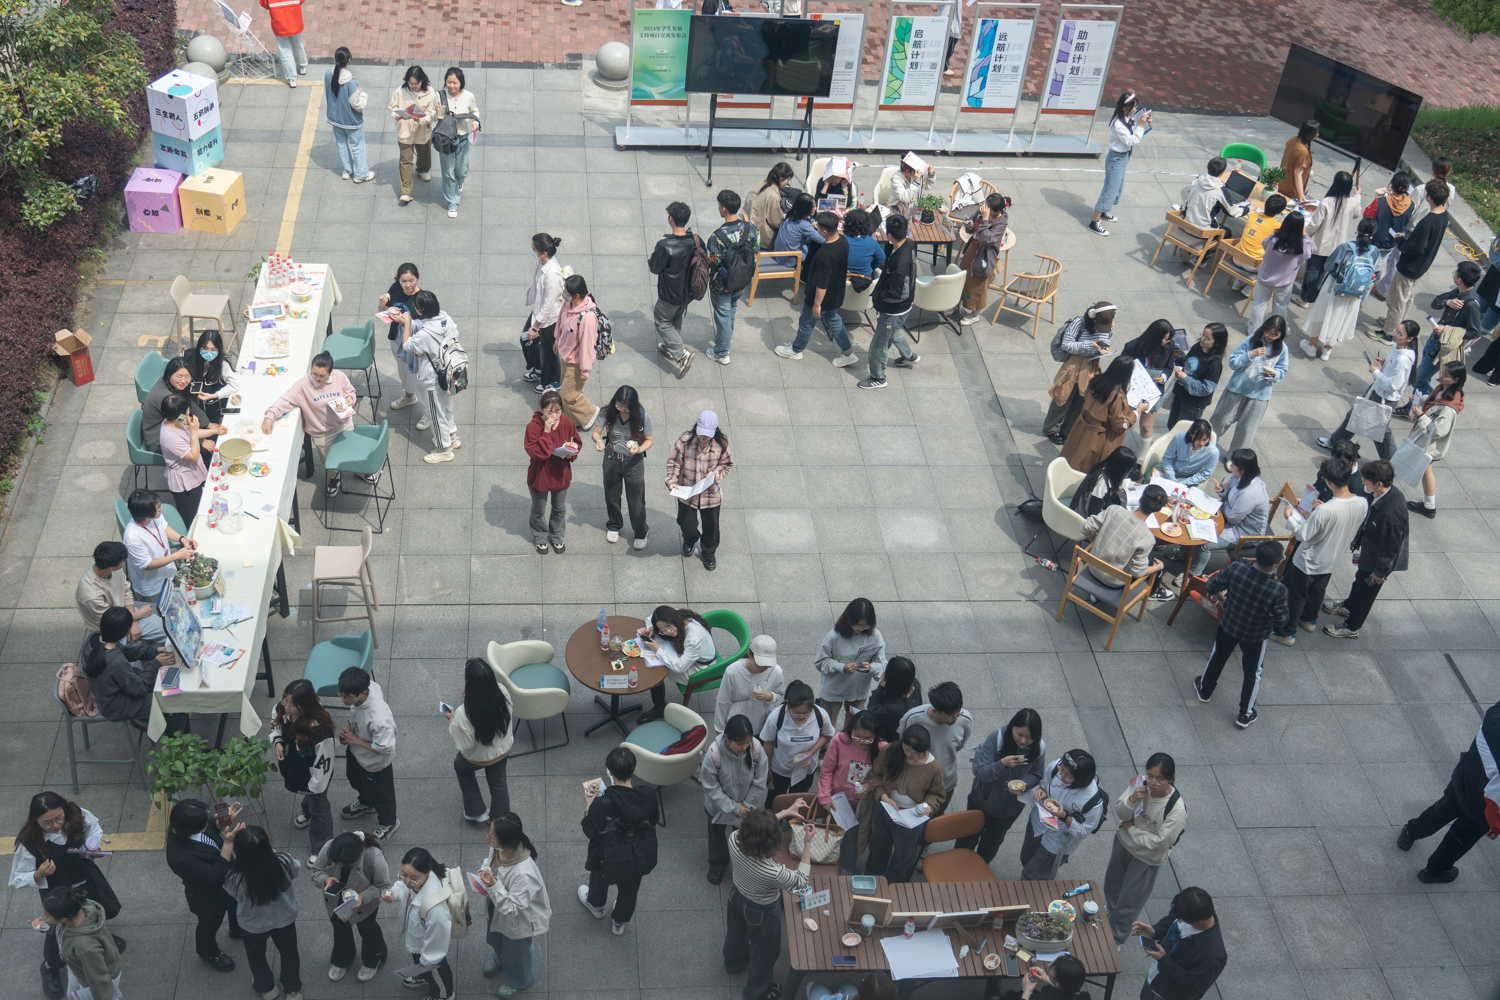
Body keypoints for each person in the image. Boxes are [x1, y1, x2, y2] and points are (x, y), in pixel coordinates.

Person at [11, 792, 122, 1000]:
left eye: (59, 818)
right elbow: (16, 878)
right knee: (58, 929)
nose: (56, 825)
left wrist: (93, 845)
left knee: (94, 911)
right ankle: (50, 965)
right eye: (47, 822)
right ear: (35, 819)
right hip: (58, 892)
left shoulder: (76, 814)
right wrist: (38, 874)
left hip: (85, 879)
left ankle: (98, 936)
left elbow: (94, 830)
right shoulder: (28, 843)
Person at [1398, 700, 1500, 883]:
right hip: (1479, 808)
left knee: (1442, 809)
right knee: (1459, 838)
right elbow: (1495, 802)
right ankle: (1434, 871)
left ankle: (1411, 832)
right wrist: (1496, 826)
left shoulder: (1495, 716)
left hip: (1463, 778)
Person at [1269, 458, 1367, 647]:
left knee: (1295, 595)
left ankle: (1286, 632)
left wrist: (1289, 517)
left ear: (1329, 481)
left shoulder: (1325, 510)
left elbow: (1303, 535)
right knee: (1317, 590)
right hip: (1332, 558)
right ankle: (1309, 619)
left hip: (1308, 560)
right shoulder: (1362, 503)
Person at [723, 802, 814, 1000]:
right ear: (772, 842)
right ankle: (755, 992)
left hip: (736, 895)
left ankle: (732, 962)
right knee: (763, 953)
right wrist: (807, 844)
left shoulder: (733, 839)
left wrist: (786, 812)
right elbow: (800, 882)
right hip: (762, 911)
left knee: (735, 933)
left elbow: (757, 828)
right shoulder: (772, 872)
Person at [1193, 540, 1288, 728]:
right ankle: (1245, 713)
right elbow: (1282, 621)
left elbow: (1211, 585)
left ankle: (1205, 691)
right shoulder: (1278, 590)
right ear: (1275, 564)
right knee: (1253, 673)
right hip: (1255, 636)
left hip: (1229, 625)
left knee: (1218, 657)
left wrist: (1222, 600)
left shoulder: (1236, 569)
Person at [1103, 753, 1186, 946]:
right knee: (1112, 886)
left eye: (1160, 779)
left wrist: (1131, 829)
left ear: (1170, 779)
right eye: (1150, 775)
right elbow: (1121, 813)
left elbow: (1160, 842)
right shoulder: (1139, 783)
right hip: (1123, 845)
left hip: (1147, 859)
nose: (1153, 782)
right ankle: (1110, 913)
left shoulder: (1176, 808)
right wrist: (1131, 799)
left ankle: (1115, 938)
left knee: (1130, 900)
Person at [1322, 459, 1408, 639]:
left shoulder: (1391, 512)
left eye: (1367, 481)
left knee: (1366, 592)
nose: (1364, 484)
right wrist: (1359, 538)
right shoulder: (1379, 495)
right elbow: (1370, 520)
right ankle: (1348, 606)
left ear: (1379, 483)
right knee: (1359, 582)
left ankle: (1352, 627)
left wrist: (1380, 572)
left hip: (1379, 564)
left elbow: (1391, 547)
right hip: (1370, 553)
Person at [579, 746, 659, 934]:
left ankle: (597, 906)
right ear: (634, 769)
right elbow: (652, 822)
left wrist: (589, 805)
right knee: (630, 890)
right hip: (636, 855)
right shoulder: (648, 796)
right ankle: (619, 923)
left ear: (610, 772)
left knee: (599, 880)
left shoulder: (602, 803)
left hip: (606, 856)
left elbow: (590, 830)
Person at [260, 350, 360, 496]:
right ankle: (334, 477)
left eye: (322, 376)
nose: (317, 379)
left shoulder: (339, 376)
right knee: (329, 460)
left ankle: (361, 470)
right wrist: (270, 415)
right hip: (322, 433)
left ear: (330, 372)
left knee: (352, 452)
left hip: (344, 425)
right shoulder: (302, 385)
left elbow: (350, 391)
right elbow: (285, 400)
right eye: (314, 374)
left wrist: (350, 398)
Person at [1317, 318, 1416, 460]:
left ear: (1410, 339)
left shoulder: (1403, 359)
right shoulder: (1397, 347)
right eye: (1396, 331)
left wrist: (1376, 372)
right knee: (1356, 416)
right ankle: (1336, 442)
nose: (1395, 335)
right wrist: (1383, 364)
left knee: (1380, 431)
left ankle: (1391, 461)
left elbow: (1394, 385)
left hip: (1384, 396)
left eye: (1400, 334)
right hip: (1378, 389)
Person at [955, 707, 1045, 863]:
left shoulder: (1039, 748)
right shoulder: (996, 739)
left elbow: (1037, 774)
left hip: (1009, 809)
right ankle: (957, 864)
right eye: (1019, 734)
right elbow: (981, 773)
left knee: (992, 842)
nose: (1023, 741)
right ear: (1012, 727)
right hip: (981, 802)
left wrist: (1024, 784)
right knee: (968, 836)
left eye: (1030, 737)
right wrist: (1001, 764)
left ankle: (979, 868)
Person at [476, 814, 550, 998]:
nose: (488, 837)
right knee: (495, 938)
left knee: (517, 953)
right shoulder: (498, 848)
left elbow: (513, 908)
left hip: (518, 920)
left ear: (506, 841)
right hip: (497, 905)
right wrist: (484, 871)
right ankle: (500, 959)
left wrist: (493, 885)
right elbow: (490, 863)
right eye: (490, 832)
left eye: (492, 835)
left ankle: (521, 980)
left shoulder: (523, 873)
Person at [225, 825, 303, 1000]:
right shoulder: (284, 862)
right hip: (284, 919)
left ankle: (266, 988)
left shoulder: (235, 877)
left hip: (253, 925)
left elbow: (234, 896)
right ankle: (292, 988)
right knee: (289, 952)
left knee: (256, 956)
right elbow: (296, 870)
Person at [165, 799, 241, 973]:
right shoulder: (180, 857)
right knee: (210, 923)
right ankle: (208, 951)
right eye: (204, 822)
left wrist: (223, 822)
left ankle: (236, 929)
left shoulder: (185, 823)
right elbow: (214, 875)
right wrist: (228, 844)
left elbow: (213, 827)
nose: (209, 821)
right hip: (208, 895)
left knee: (235, 903)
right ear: (190, 828)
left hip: (228, 881)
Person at [864, 725, 946, 883]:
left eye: (914, 753)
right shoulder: (890, 751)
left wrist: (928, 806)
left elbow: (936, 794)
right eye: (906, 749)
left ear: (923, 750)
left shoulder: (933, 767)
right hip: (885, 809)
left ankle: (895, 885)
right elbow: (876, 776)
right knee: (878, 847)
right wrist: (884, 797)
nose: (908, 754)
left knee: (903, 855)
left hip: (911, 818)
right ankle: (872, 877)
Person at [84, 607, 188, 731]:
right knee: (177, 704)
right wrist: (156, 663)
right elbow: (140, 687)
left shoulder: (97, 639)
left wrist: (154, 650)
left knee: (164, 684)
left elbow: (127, 651)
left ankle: (157, 722)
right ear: (124, 632)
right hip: (120, 707)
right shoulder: (116, 662)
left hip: (116, 692)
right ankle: (180, 747)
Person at [777, 210, 858, 367]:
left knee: (806, 323)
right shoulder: (842, 241)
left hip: (820, 297)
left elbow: (821, 283)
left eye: (818, 228)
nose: (816, 229)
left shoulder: (825, 255)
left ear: (825, 232)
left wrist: (816, 305)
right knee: (834, 320)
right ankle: (848, 352)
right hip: (836, 295)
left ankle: (796, 350)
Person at [390, 290, 462, 462]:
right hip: (449, 372)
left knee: (434, 414)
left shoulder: (424, 335)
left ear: (421, 311)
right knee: (445, 407)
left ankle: (444, 448)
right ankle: (452, 437)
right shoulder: (446, 318)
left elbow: (408, 344)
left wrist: (407, 322)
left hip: (433, 378)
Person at [1375, 179, 1451, 341]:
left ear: (1428, 197)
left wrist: (1400, 240)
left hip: (1409, 266)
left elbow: (1415, 248)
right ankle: (1393, 324)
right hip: (1421, 266)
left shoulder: (1427, 222)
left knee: (1397, 301)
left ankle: (1389, 333)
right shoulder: (1443, 215)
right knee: (1407, 299)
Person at [270, 678, 337, 863]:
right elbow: (275, 725)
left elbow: (324, 761)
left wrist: (317, 786)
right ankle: (307, 813)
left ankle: (323, 846)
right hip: (295, 767)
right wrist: (277, 741)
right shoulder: (282, 709)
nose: (287, 707)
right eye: (286, 701)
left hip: (314, 776)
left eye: (293, 705)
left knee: (320, 808)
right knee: (309, 795)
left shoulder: (319, 729)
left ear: (306, 705)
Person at [310, 830, 390, 982]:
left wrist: (362, 897)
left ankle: (373, 960)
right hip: (336, 901)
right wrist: (325, 880)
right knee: (340, 930)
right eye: (337, 863)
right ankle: (342, 958)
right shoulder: (329, 848)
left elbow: (383, 887)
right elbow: (316, 871)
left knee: (368, 930)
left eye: (345, 864)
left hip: (365, 906)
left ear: (358, 856)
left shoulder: (374, 857)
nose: (340, 866)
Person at [445, 656, 515, 823]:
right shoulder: (502, 692)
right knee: (498, 784)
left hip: (477, 757)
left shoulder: (463, 713)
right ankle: (500, 819)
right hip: (502, 750)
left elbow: (464, 744)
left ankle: (476, 811)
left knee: (461, 767)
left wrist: (451, 720)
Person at [702, 714, 771, 884]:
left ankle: (742, 867)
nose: (744, 747)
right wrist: (734, 807)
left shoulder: (755, 749)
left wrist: (745, 806)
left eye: (747, 743)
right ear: (727, 738)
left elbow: (759, 781)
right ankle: (717, 864)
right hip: (718, 807)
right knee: (716, 837)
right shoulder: (713, 755)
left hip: (747, 807)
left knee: (743, 838)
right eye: (740, 744)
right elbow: (711, 787)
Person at [1299, 217, 1380, 360]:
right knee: (1340, 319)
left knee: (1322, 314)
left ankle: (1311, 347)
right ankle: (1327, 351)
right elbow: (1377, 274)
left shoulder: (1346, 247)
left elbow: (1328, 266)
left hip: (1334, 288)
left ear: (1358, 230)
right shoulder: (1374, 251)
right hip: (1355, 294)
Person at [1020, 749, 1105, 880]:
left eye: (1069, 776)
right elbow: (1044, 785)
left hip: (1056, 841)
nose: (1062, 776)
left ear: (1081, 779)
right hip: (1037, 824)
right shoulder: (1055, 768)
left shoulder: (1092, 802)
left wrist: (1064, 817)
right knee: (1026, 858)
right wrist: (1042, 792)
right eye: (1062, 769)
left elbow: (1083, 832)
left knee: (1033, 876)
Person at [338, 666, 400, 844]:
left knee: (382, 795)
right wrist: (349, 726)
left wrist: (354, 739)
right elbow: (355, 713)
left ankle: (389, 822)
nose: (343, 700)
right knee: (354, 779)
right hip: (356, 752)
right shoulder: (369, 687)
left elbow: (385, 748)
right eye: (341, 694)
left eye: (348, 697)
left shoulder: (379, 719)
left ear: (364, 693)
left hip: (374, 763)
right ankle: (366, 803)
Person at [1208, 317, 1288, 455]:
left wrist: (1274, 373)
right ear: (1263, 328)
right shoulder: (1251, 340)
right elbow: (1233, 362)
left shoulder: (1282, 349)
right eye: (1268, 332)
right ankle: (1207, 446)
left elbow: (1282, 371)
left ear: (1281, 334)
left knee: (1246, 429)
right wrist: (1251, 354)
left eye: (1276, 334)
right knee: (1221, 419)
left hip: (1259, 396)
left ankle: (1235, 457)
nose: (1270, 337)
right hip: (1236, 389)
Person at [665, 410, 733, 571]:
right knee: (686, 523)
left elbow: (727, 464)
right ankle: (690, 539)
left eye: (708, 434)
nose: (704, 436)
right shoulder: (684, 442)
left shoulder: (720, 445)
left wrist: (716, 474)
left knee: (711, 527)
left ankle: (709, 552)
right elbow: (674, 463)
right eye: (701, 432)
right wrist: (672, 481)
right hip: (687, 493)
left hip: (711, 495)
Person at [1186, 449, 1269, 580]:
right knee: (1194, 518)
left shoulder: (1250, 494)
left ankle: (1192, 575)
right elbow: (1228, 493)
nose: (1230, 466)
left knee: (1204, 543)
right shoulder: (1238, 475)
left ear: (1242, 469)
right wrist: (1222, 492)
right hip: (1231, 515)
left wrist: (1225, 503)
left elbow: (1232, 518)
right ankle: (1186, 552)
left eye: (1233, 464)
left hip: (1244, 532)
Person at [382, 848, 454, 999]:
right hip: (417, 937)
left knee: (437, 972)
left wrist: (426, 962)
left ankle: (442, 995)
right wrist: (393, 893)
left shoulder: (436, 908)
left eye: (413, 878)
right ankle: (424, 976)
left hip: (429, 950)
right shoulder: (416, 880)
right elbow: (402, 886)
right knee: (419, 961)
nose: (407, 881)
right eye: (403, 874)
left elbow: (437, 944)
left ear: (427, 873)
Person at [818, 710, 884, 874]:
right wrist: (825, 797)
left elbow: (884, 778)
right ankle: (824, 861)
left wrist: (869, 787)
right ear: (850, 730)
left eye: (867, 738)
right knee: (832, 832)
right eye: (857, 736)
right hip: (838, 799)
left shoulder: (882, 748)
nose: (861, 742)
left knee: (853, 838)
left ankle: (847, 869)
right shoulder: (840, 740)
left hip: (862, 804)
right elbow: (826, 770)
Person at [1132, 887, 1226, 1000]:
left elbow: (1193, 985)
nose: (1178, 918)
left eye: (1182, 918)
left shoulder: (1213, 956)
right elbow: (1169, 920)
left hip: (1168, 994)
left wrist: (1163, 960)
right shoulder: (1192, 909)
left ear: (1198, 921)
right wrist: (1154, 931)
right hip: (1155, 976)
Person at [1061, 355, 1149, 474]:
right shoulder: (1116, 395)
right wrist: (1137, 411)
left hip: (1082, 427)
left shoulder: (1096, 381)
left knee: (1072, 458)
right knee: (1086, 469)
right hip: (1098, 439)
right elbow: (1119, 425)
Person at [861, 212, 920, 389]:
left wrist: (878, 298)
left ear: (890, 235)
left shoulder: (900, 264)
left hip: (893, 308)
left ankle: (878, 378)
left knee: (879, 345)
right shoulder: (909, 244)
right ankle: (909, 356)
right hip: (904, 306)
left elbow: (896, 294)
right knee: (894, 331)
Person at [1044, 303, 1117, 446]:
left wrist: (1103, 349)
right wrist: (1090, 345)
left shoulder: (1110, 325)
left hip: (1091, 365)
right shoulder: (1079, 323)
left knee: (1081, 401)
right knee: (1062, 398)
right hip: (1074, 364)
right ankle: (1050, 429)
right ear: (1093, 318)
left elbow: (1106, 340)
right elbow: (1067, 345)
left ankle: (1067, 431)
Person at [898, 681, 973, 818]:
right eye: (950, 717)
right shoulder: (913, 717)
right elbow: (904, 742)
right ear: (935, 710)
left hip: (945, 784)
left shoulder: (965, 719)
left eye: (958, 713)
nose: (956, 719)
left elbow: (960, 745)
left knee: (933, 823)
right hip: (915, 782)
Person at [1080, 484, 1169, 597]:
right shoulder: (1147, 538)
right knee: (1157, 559)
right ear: (1159, 509)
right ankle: (1153, 593)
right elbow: (1138, 572)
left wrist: (1093, 537)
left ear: (1140, 499)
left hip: (1093, 568)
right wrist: (1159, 567)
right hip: (1113, 583)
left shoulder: (1114, 510)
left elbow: (1085, 527)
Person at [592, 385, 653, 548]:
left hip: (634, 462)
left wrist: (638, 449)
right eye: (620, 406)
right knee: (612, 495)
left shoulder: (641, 415)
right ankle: (614, 525)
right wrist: (599, 442)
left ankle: (641, 532)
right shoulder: (608, 411)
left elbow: (650, 440)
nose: (623, 411)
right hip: (612, 457)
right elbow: (596, 432)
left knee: (636, 501)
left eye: (627, 408)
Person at [37, 885, 122, 1000]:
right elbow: (58, 924)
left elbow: (98, 979)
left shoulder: (84, 947)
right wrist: (43, 925)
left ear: (63, 919)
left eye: (47, 915)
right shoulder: (82, 907)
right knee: (72, 995)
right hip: (79, 968)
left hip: (91, 977)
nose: (44, 917)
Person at [1404, 361, 1466, 518]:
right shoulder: (1444, 390)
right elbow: (1433, 401)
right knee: (1425, 470)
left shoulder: (1449, 407)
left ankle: (1380, 488)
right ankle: (1429, 506)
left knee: (1401, 463)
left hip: (1428, 444)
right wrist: (1422, 399)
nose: (1441, 376)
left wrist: (1421, 415)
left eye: (1446, 375)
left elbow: (1438, 431)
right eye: (1442, 372)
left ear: (1456, 380)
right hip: (1425, 443)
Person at [759, 680, 835, 807]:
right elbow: (768, 743)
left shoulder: (820, 714)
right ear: (788, 704)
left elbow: (826, 734)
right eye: (796, 713)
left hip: (805, 771)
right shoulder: (776, 716)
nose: (801, 716)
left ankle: (793, 825)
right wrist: (767, 770)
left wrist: (810, 753)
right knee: (775, 803)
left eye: (806, 713)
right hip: (781, 770)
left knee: (799, 802)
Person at [815, 597, 889, 726]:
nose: (861, 629)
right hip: (833, 690)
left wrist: (870, 668)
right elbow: (821, 662)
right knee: (826, 727)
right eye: (857, 625)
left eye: (865, 625)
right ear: (848, 620)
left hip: (858, 691)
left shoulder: (875, 635)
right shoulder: (834, 636)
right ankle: (827, 747)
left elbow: (882, 663)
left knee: (854, 727)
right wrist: (842, 667)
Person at [1293, 170, 1362, 307]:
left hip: (1320, 244)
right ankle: (1313, 294)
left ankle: (1304, 298)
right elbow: (1357, 214)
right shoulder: (1353, 202)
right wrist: (1358, 196)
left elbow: (1314, 224)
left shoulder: (1327, 201)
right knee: (1324, 272)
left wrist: (1304, 236)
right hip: (1338, 248)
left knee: (1312, 270)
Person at [705, 188, 759, 364]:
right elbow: (756, 251)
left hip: (722, 284)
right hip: (743, 280)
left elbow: (712, 262)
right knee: (732, 309)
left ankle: (722, 352)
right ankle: (725, 338)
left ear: (723, 209)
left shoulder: (717, 237)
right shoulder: (752, 229)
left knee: (722, 315)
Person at [76, 540, 167, 642]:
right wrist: (138, 615)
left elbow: (126, 590)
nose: (125, 563)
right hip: (109, 630)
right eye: (123, 561)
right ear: (111, 568)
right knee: (128, 655)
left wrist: (133, 621)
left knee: (167, 631)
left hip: (126, 613)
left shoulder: (107, 566)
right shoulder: (90, 594)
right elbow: (109, 622)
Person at [524, 389, 579, 555]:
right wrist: (547, 432)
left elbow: (576, 442)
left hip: (561, 472)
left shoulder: (567, 423)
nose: (554, 415)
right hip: (540, 474)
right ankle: (540, 536)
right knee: (538, 509)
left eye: (558, 411)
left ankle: (557, 536)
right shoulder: (533, 427)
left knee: (559, 508)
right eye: (549, 411)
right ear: (541, 409)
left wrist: (572, 451)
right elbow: (538, 454)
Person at [648, 201, 699, 378]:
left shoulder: (665, 246)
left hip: (669, 294)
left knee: (662, 321)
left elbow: (654, 267)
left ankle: (681, 353)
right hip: (688, 293)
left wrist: (658, 248)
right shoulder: (695, 241)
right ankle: (671, 347)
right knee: (675, 317)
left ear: (671, 219)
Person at [121, 488, 198, 603]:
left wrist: (182, 539)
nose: (161, 509)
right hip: (153, 587)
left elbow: (164, 527)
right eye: (158, 508)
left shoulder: (153, 516)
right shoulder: (132, 538)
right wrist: (176, 556)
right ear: (145, 513)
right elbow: (147, 564)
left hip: (169, 572)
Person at [639, 604, 714, 721]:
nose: (668, 631)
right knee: (657, 658)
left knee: (656, 668)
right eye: (663, 629)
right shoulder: (678, 615)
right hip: (692, 657)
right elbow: (650, 618)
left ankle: (660, 708)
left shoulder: (694, 638)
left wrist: (658, 650)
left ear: (673, 619)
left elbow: (680, 667)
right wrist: (652, 629)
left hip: (701, 669)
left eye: (668, 626)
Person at [1089, 93, 1151, 236]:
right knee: (1109, 189)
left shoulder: (1127, 118)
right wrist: (1141, 125)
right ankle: (1094, 222)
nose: (1135, 110)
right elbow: (1131, 140)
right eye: (1133, 107)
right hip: (1116, 159)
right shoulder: (1118, 124)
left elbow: (1135, 131)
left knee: (1117, 187)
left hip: (1123, 157)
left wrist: (1144, 122)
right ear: (1124, 107)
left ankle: (1104, 212)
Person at [1246, 212, 1313, 334]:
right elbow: (1309, 252)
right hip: (1284, 282)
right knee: (1281, 307)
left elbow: (1264, 243)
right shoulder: (1301, 247)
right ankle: (1279, 330)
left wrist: (1278, 230)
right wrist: (1304, 236)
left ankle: (1253, 330)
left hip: (1265, 277)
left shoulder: (1273, 239)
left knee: (1259, 304)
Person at [1121, 319, 1180, 449]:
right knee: (1124, 422)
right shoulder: (1132, 346)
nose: (1166, 342)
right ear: (1155, 336)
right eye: (1164, 339)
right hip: (1132, 390)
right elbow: (1120, 367)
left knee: (1146, 425)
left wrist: (1163, 377)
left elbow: (1169, 367)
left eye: (1168, 340)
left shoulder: (1170, 346)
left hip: (1153, 391)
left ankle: (1141, 461)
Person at [553, 273, 601, 431]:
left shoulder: (587, 318)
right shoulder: (569, 305)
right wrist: (557, 340)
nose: (564, 293)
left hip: (578, 362)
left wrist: (585, 370)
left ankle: (590, 413)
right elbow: (560, 321)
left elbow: (587, 346)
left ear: (577, 295)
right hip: (566, 357)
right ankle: (573, 418)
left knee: (569, 395)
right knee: (567, 392)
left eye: (567, 292)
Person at [1430, 262, 1489, 389]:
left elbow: (1475, 332)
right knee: (1422, 378)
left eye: (1455, 273)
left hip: (1444, 347)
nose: (1454, 275)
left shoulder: (1471, 304)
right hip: (1435, 338)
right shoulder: (1457, 291)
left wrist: (1447, 331)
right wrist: (1448, 302)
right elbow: (1435, 303)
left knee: (1421, 379)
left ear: (1460, 279)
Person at [712, 633, 785, 735]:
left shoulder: (776, 672)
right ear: (750, 654)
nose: (763, 667)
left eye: (767, 664)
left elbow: (778, 693)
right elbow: (723, 701)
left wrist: (768, 696)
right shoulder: (733, 671)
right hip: (737, 721)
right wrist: (719, 728)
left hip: (760, 721)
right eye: (760, 663)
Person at [141, 357, 218, 453]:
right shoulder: (166, 398)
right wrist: (202, 441)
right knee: (208, 451)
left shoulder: (172, 383)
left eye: (187, 376)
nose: (183, 381)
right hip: (160, 440)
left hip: (175, 425)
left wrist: (207, 424)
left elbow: (189, 402)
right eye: (179, 376)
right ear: (169, 375)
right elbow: (182, 421)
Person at [157, 393, 210, 527]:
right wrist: (193, 432)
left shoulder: (177, 420)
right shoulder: (170, 436)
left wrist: (215, 431)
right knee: (191, 515)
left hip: (192, 472)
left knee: (199, 504)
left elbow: (194, 432)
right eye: (187, 409)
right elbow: (193, 456)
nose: (189, 411)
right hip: (185, 480)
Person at [959, 191, 1011, 324]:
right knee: (962, 278)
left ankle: (974, 314)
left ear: (995, 211)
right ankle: (956, 303)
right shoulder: (983, 211)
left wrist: (985, 219)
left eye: (987, 207)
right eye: (984, 204)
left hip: (984, 256)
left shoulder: (1000, 223)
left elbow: (985, 238)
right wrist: (970, 225)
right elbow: (973, 226)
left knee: (977, 286)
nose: (983, 207)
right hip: (972, 250)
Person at [522, 233, 565, 391]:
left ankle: (551, 381)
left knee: (548, 352)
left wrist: (535, 327)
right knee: (526, 340)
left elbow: (548, 305)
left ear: (544, 252)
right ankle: (539, 369)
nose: (532, 250)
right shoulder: (543, 262)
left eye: (534, 248)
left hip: (548, 319)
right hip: (539, 312)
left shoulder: (552, 276)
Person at [377, 263, 424, 409]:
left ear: (417, 278)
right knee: (403, 371)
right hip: (396, 337)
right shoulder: (396, 288)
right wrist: (382, 303)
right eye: (403, 281)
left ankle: (427, 413)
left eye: (411, 280)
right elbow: (383, 310)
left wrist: (405, 321)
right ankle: (409, 396)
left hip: (414, 344)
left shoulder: (421, 299)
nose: (407, 285)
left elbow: (424, 326)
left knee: (417, 377)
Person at [434, 67, 479, 218]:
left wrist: (475, 122)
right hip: (446, 139)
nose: (451, 86)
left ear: (461, 82)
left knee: (462, 169)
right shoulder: (439, 95)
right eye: (449, 82)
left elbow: (474, 111)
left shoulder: (468, 96)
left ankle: (459, 182)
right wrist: (438, 112)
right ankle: (453, 203)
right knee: (448, 172)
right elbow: (436, 117)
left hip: (463, 137)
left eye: (455, 82)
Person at [390, 66, 437, 205]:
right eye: (411, 83)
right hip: (405, 130)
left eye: (416, 83)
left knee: (424, 153)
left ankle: (423, 169)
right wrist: (397, 115)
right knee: (405, 160)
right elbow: (393, 108)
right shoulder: (400, 91)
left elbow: (432, 113)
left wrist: (421, 118)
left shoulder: (431, 93)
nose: (414, 86)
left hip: (422, 129)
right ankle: (406, 192)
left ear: (423, 80)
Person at [325, 47, 373, 182]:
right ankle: (361, 174)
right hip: (351, 121)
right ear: (349, 60)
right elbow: (357, 104)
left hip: (335, 118)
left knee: (341, 143)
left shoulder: (329, 74)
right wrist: (362, 94)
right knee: (357, 146)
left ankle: (346, 170)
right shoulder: (351, 82)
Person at [1369, 173, 1416, 301]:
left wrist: (1377, 198)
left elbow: (1368, 217)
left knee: (1366, 264)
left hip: (1373, 241)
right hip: (1390, 244)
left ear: (1391, 186)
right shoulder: (1411, 205)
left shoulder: (1380, 201)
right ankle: (1370, 285)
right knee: (1378, 266)